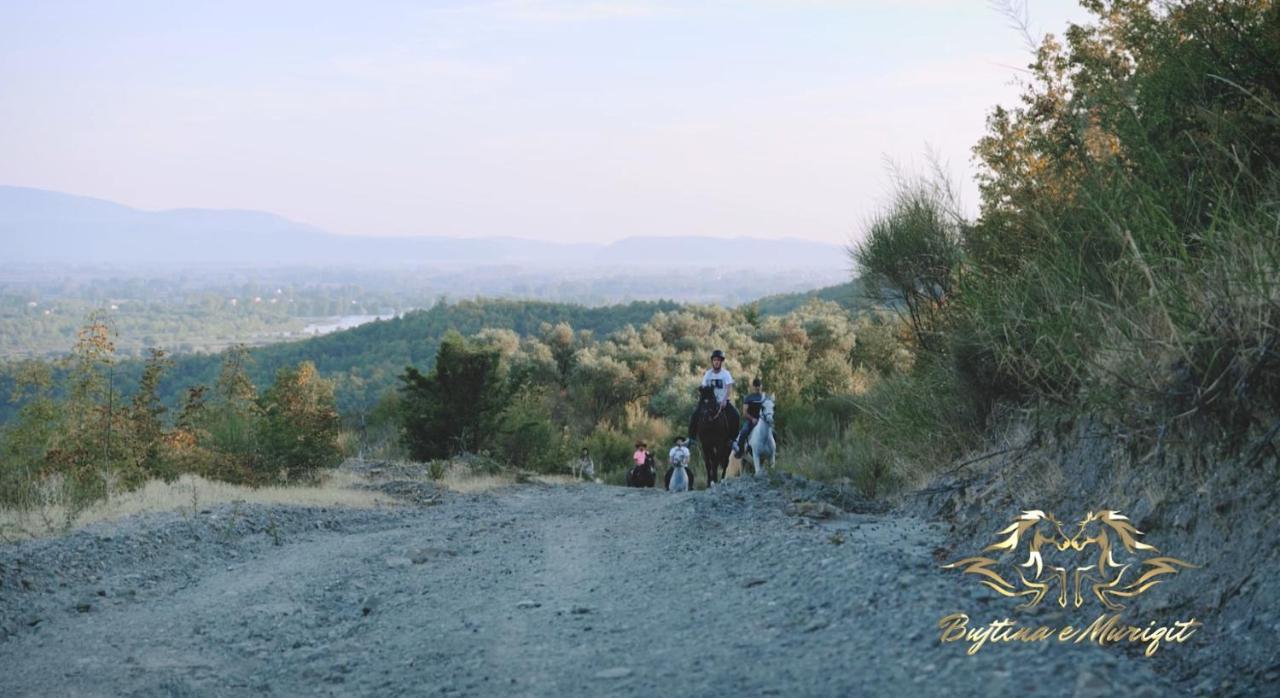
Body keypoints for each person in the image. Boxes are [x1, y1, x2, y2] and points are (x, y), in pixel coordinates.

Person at [688, 349, 739, 440]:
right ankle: (691, 438)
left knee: (735, 414)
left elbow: (728, 388)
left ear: (721, 362)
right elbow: (704, 387)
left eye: (718, 360)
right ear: (712, 361)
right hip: (710, 402)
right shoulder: (708, 374)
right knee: (695, 414)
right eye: (715, 360)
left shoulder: (725, 374)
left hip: (722, 401)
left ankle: (733, 439)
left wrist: (724, 401)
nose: (716, 362)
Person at [733, 378, 765, 457]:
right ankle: (740, 451)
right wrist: (752, 419)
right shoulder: (749, 398)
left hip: (762, 420)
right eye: (756, 386)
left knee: (773, 432)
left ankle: (774, 451)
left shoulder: (764, 397)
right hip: (751, 420)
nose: (758, 387)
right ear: (753, 387)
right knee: (744, 431)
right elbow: (744, 413)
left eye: (759, 386)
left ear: (761, 386)